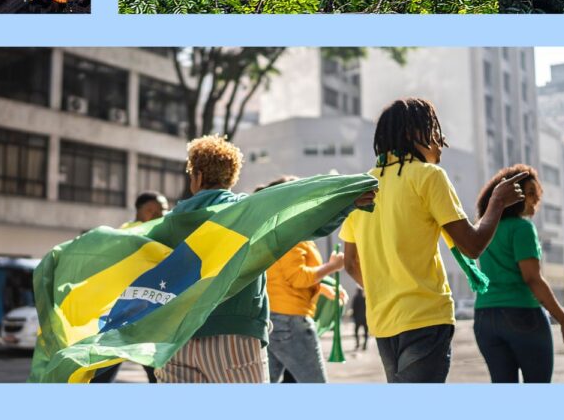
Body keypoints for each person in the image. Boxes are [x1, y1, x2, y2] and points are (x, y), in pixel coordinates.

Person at [156, 136, 373, 384]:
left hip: (177, 339)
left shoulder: (170, 222)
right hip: (235, 336)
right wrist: (346, 201)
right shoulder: (248, 212)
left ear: (196, 176)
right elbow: (300, 215)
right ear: (233, 177)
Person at [341, 97, 526, 383]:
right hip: (425, 317)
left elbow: (351, 263)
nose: (442, 140)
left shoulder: (363, 187)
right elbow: (472, 245)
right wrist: (497, 202)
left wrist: (387, 288)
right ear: (411, 135)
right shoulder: (429, 177)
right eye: (434, 130)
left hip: (383, 323)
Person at [472, 164, 564, 382]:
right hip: (521, 314)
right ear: (511, 195)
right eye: (529, 193)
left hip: (485, 317)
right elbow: (532, 278)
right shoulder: (522, 228)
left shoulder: (483, 227)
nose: (535, 200)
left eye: (537, 194)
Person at [258, 175, 346, 383]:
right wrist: (332, 267)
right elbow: (298, 277)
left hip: (275, 319)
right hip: (291, 321)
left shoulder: (276, 230)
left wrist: (323, 287)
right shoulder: (292, 232)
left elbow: (285, 276)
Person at [91, 191, 171, 383]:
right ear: (139, 210)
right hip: (130, 313)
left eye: (164, 211)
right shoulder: (133, 233)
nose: (159, 215)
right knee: (156, 373)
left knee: (108, 369)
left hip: (138, 313)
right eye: (153, 210)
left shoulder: (128, 232)